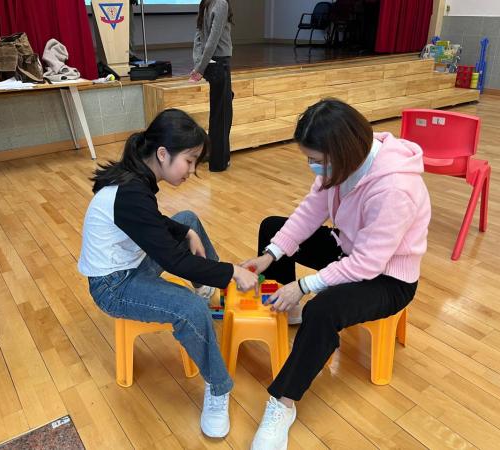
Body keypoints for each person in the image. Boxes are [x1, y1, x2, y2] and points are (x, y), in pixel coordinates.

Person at [242, 99, 431, 450]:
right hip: (349, 249)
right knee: (273, 228)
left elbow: (368, 264)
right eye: (309, 159)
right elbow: (309, 212)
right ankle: (287, 310)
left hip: (388, 278)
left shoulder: (395, 188)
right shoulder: (340, 166)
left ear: (342, 153)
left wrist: (303, 286)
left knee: (322, 310)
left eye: (317, 160)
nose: (313, 167)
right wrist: (270, 255)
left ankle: (283, 403)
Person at [77, 109, 258, 438]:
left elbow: (150, 222)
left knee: (187, 220)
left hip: (130, 265)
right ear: (163, 154)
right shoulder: (131, 192)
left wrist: (186, 232)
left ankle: (210, 294)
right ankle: (218, 388)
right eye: (189, 160)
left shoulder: (135, 179)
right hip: (113, 287)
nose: (191, 170)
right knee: (189, 308)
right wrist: (231, 271)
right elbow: (174, 261)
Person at [189, 0, 234, 172]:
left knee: (219, 113)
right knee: (221, 116)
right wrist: (200, 68)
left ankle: (215, 155)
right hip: (219, 64)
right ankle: (218, 162)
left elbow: (199, 38)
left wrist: (199, 64)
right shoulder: (220, 3)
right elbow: (211, 40)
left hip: (211, 64)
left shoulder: (207, 3)